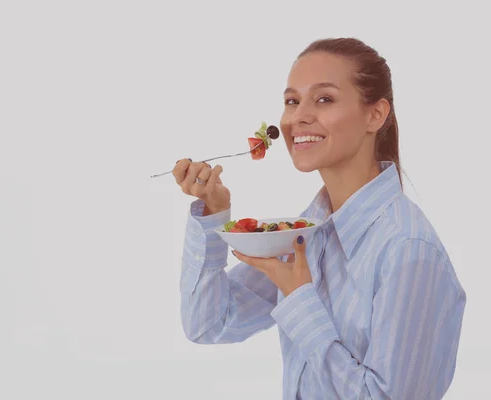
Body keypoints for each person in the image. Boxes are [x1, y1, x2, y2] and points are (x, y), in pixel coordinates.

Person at [172, 37, 466, 400]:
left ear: (375, 114)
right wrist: (214, 216)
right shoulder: (306, 232)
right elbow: (209, 324)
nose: (298, 117)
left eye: (324, 99)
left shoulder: (408, 251)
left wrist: (298, 299)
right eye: (292, 101)